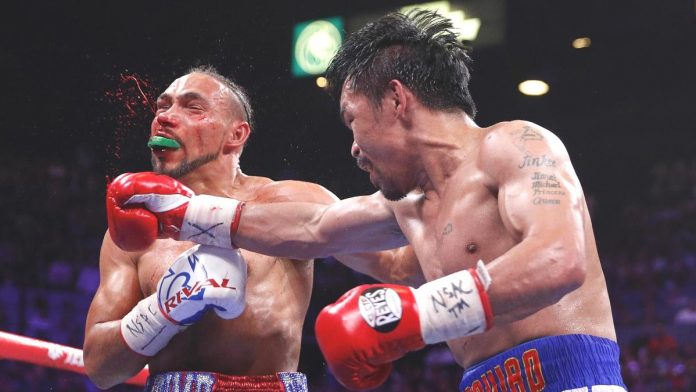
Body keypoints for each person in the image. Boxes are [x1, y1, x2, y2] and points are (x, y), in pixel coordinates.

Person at [105, 11, 627, 392]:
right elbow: (315, 228)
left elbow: (560, 259)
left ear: (397, 100)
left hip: (573, 379)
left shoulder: (516, 144)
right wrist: (188, 215)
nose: (353, 147)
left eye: (353, 120)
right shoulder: (411, 206)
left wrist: (420, 314)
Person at [84, 66, 421, 391]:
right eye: (163, 106)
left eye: (192, 107)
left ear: (236, 134)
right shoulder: (137, 229)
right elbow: (99, 368)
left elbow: (399, 264)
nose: (165, 117)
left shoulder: (291, 200)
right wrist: (162, 310)